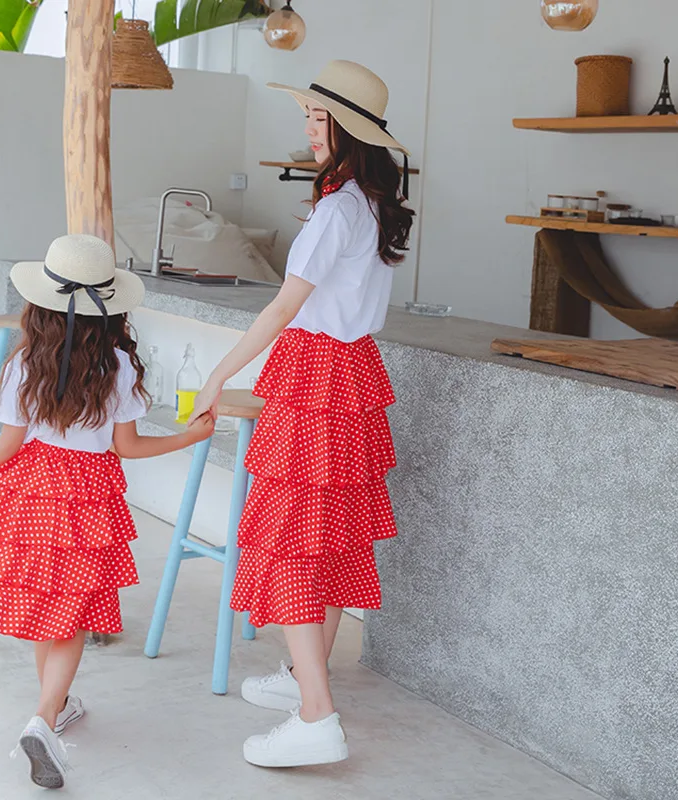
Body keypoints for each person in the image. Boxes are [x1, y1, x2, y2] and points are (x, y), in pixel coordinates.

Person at [0, 235, 214, 789]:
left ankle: (53, 707)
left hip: (31, 489)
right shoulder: (118, 365)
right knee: (71, 614)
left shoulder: (25, 363)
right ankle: (45, 717)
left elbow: (5, 446)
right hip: (87, 498)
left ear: (40, 306)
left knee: (48, 606)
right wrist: (190, 438)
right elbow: (128, 447)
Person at [188, 60, 415, 768]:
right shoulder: (370, 204)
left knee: (288, 540)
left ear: (350, 130)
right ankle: (300, 678)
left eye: (321, 119)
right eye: (310, 117)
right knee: (334, 535)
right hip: (352, 376)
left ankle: (316, 714)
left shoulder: (336, 208)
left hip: (316, 376)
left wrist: (220, 373)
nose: (311, 130)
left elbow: (283, 308)